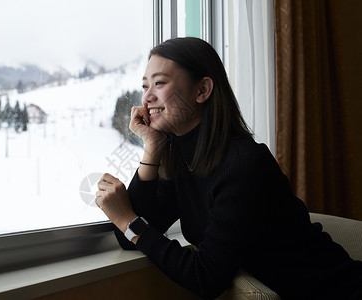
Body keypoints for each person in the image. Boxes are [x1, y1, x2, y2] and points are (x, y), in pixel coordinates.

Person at [95, 37, 362, 299]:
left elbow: (206, 278)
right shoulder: (180, 161)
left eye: (159, 83)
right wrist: (152, 148)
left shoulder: (243, 163)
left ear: (202, 90)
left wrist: (125, 220)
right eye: (144, 86)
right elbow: (131, 237)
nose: (147, 97)